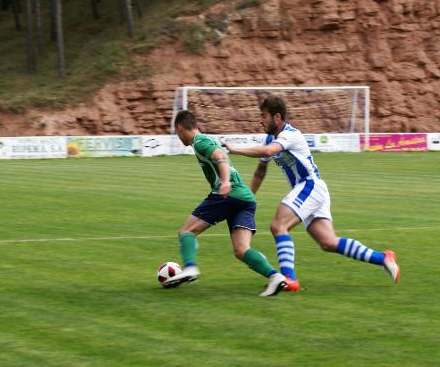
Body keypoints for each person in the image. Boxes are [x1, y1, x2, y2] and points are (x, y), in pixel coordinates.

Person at [223, 95, 400, 291]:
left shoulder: (290, 135)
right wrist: (249, 199)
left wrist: (236, 149)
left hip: (310, 186)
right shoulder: (269, 138)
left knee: (278, 225)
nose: (260, 120)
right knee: (328, 242)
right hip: (312, 189)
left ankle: (289, 279)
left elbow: (267, 152)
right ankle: (383, 258)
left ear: (277, 117)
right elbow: (260, 171)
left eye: (264, 116)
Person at [162, 110, 288, 297]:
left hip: (228, 194)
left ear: (180, 128)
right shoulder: (205, 140)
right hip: (246, 198)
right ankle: (275, 276)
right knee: (241, 250)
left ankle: (190, 267)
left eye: (176, 132)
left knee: (186, 231)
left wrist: (226, 181)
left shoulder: (200, 141)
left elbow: (221, 157)